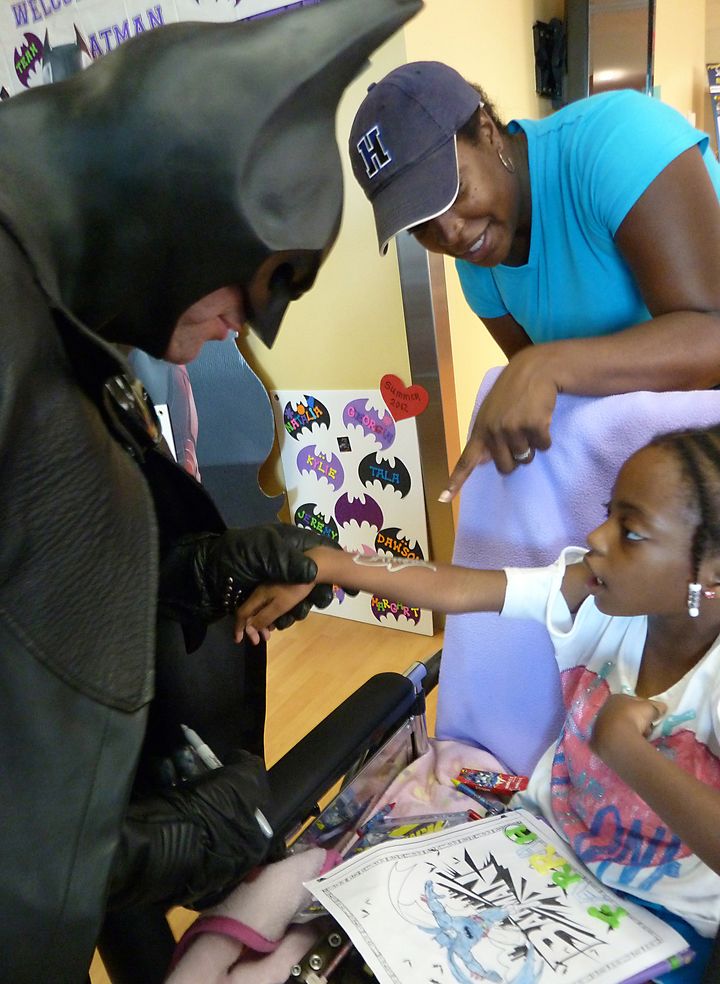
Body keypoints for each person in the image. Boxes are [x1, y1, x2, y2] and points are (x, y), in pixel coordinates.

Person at [0, 1, 422, 980]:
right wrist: (139, 850)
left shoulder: (50, 302)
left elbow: (30, 576)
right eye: (256, 282)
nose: (247, 325)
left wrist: (189, 572)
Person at [236, 422, 720, 980]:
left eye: (630, 530)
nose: (597, 535)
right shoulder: (590, 591)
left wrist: (624, 750)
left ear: (712, 571)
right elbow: (463, 587)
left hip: (658, 924)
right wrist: (331, 565)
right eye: (609, 512)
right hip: (537, 853)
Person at [348, 61, 720, 486]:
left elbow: (712, 335)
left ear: (487, 133)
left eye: (454, 191)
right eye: (420, 224)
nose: (448, 232)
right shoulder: (480, 267)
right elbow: (562, 401)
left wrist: (548, 365)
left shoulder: (619, 139)